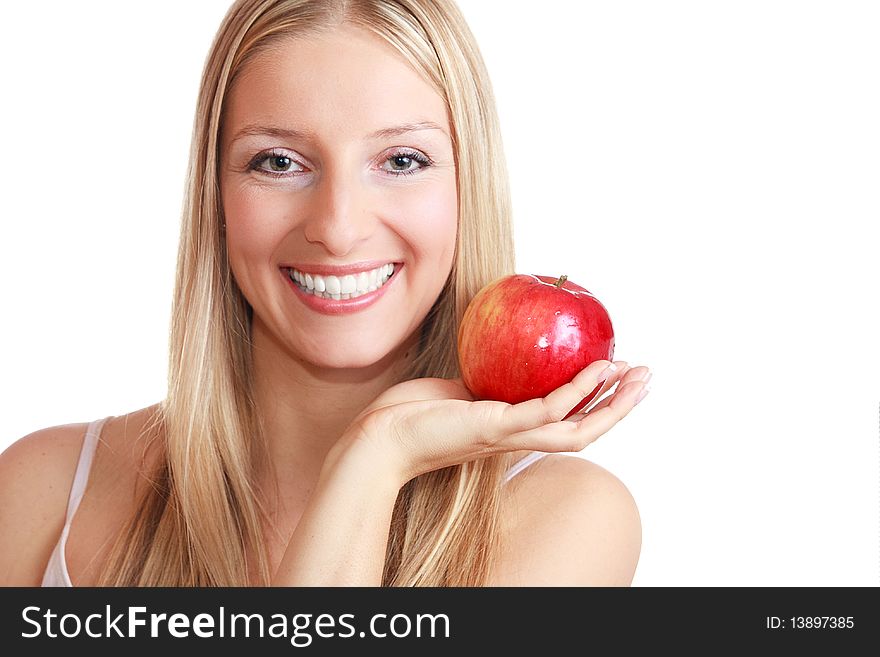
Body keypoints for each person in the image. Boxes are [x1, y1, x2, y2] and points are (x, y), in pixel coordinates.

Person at [0, 0, 650, 587]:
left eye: (401, 161)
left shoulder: (569, 520)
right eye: (279, 162)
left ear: (466, 186)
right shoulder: (43, 492)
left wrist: (375, 457)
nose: (338, 229)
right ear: (216, 196)